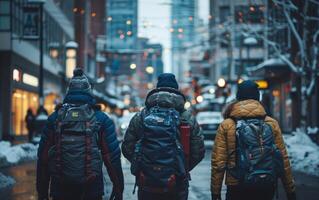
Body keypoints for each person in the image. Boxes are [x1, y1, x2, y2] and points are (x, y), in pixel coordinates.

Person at [37, 68, 124, 200]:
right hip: (91, 188)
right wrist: (118, 187)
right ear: (89, 92)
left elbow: (43, 157)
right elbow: (111, 157)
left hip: (60, 188)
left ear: (69, 91)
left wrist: (42, 191)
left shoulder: (55, 118)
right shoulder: (101, 119)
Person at [122, 73, 205, 200]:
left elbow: (127, 147)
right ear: (176, 90)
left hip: (147, 182)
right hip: (177, 182)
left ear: (157, 89)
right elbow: (198, 151)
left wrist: (143, 167)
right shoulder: (187, 117)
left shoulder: (142, 116)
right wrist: (182, 168)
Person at [211, 80, 296, 200]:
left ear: (238, 98)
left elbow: (218, 163)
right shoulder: (271, 123)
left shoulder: (227, 125)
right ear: (258, 97)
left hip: (237, 185)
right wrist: (290, 191)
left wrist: (215, 193)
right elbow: (283, 159)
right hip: (266, 184)